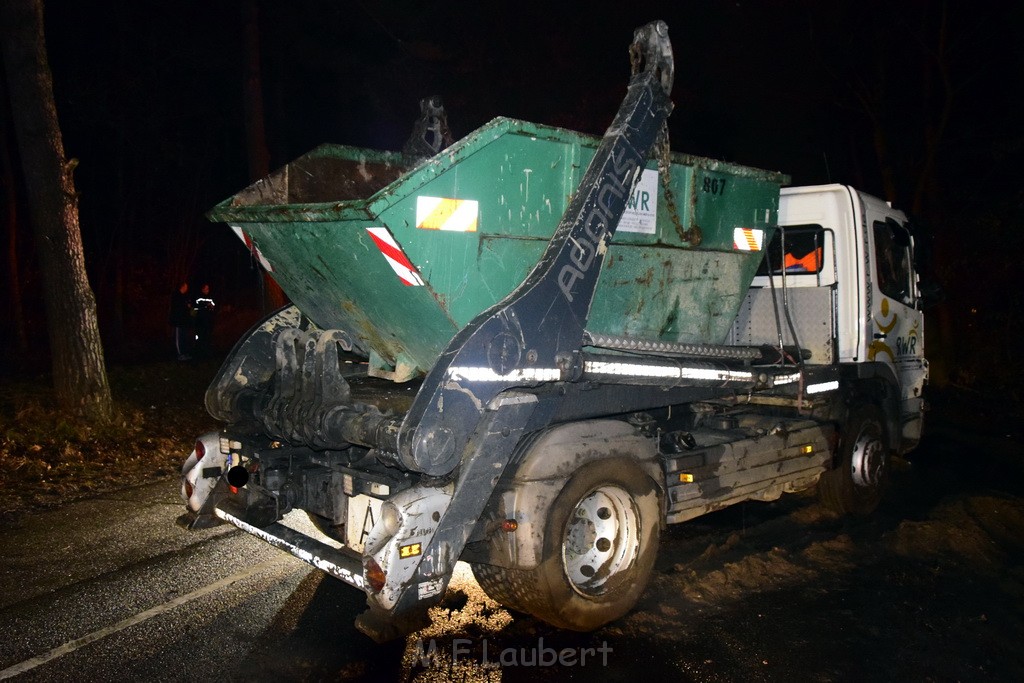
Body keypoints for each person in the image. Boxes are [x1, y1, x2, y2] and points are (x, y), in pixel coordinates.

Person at [170, 282, 193, 360]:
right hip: (178, 321)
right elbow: (177, 308)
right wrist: (185, 306)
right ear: (182, 287)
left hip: (184, 321)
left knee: (184, 338)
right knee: (178, 338)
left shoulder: (185, 296)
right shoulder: (176, 296)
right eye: (186, 287)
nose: (187, 288)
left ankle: (184, 353)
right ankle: (179, 354)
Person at [193, 283, 216, 358]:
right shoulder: (198, 297)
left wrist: (211, 306)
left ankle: (207, 352)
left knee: (207, 336)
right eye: (206, 289)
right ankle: (198, 352)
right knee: (199, 336)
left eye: (208, 289)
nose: (207, 290)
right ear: (202, 289)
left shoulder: (210, 297)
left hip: (208, 321)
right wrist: (205, 305)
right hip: (200, 321)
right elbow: (196, 307)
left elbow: (213, 306)